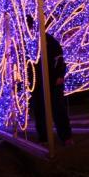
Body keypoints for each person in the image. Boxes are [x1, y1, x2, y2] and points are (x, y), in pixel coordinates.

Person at [27, 15, 72, 145]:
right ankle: (44, 136)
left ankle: (65, 136)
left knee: (58, 109)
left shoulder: (49, 41)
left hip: (52, 81)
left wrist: (60, 75)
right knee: (40, 111)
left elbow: (59, 59)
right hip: (37, 83)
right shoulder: (29, 44)